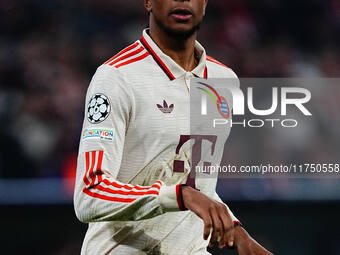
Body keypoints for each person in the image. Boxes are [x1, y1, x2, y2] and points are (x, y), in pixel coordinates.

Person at [74, 0, 273, 254]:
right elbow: (89, 194)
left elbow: (198, 184)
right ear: (147, 2)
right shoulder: (116, 77)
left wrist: (236, 232)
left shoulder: (223, 81)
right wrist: (180, 196)